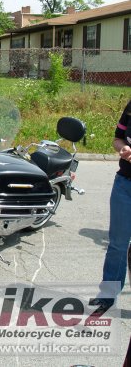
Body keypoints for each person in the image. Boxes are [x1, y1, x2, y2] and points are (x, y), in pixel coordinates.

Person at [91, 99, 131, 311]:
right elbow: (118, 139)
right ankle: (107, 296)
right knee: (117, 244)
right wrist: (123, 148)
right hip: (125, 185)